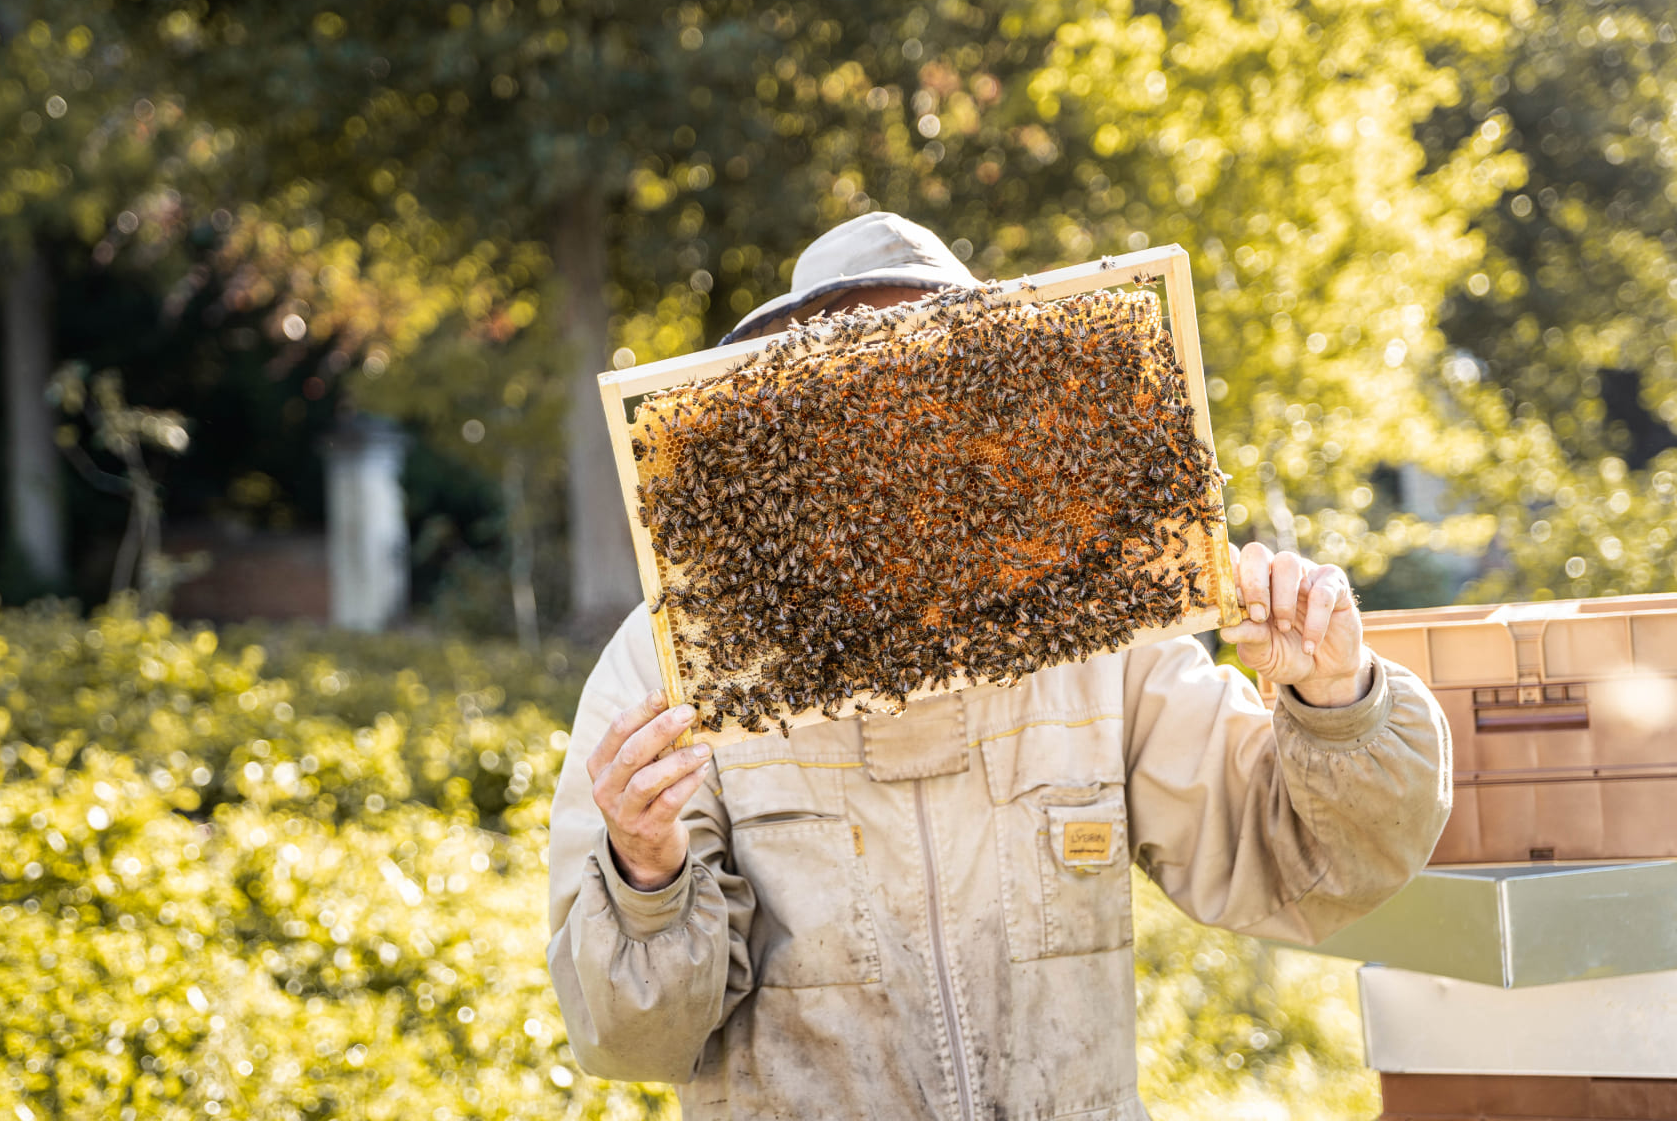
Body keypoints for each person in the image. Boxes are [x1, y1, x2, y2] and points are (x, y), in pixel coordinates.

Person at [546, 213, 1452, 1120]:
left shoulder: (1103, 640)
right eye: (850, 396)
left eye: (929, 380)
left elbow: (1309, 862)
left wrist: (1336, 704)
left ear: (987, 406)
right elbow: (631, 1042)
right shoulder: (673, 665)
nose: (894, 429)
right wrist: (648, 878)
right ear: (789, 422)